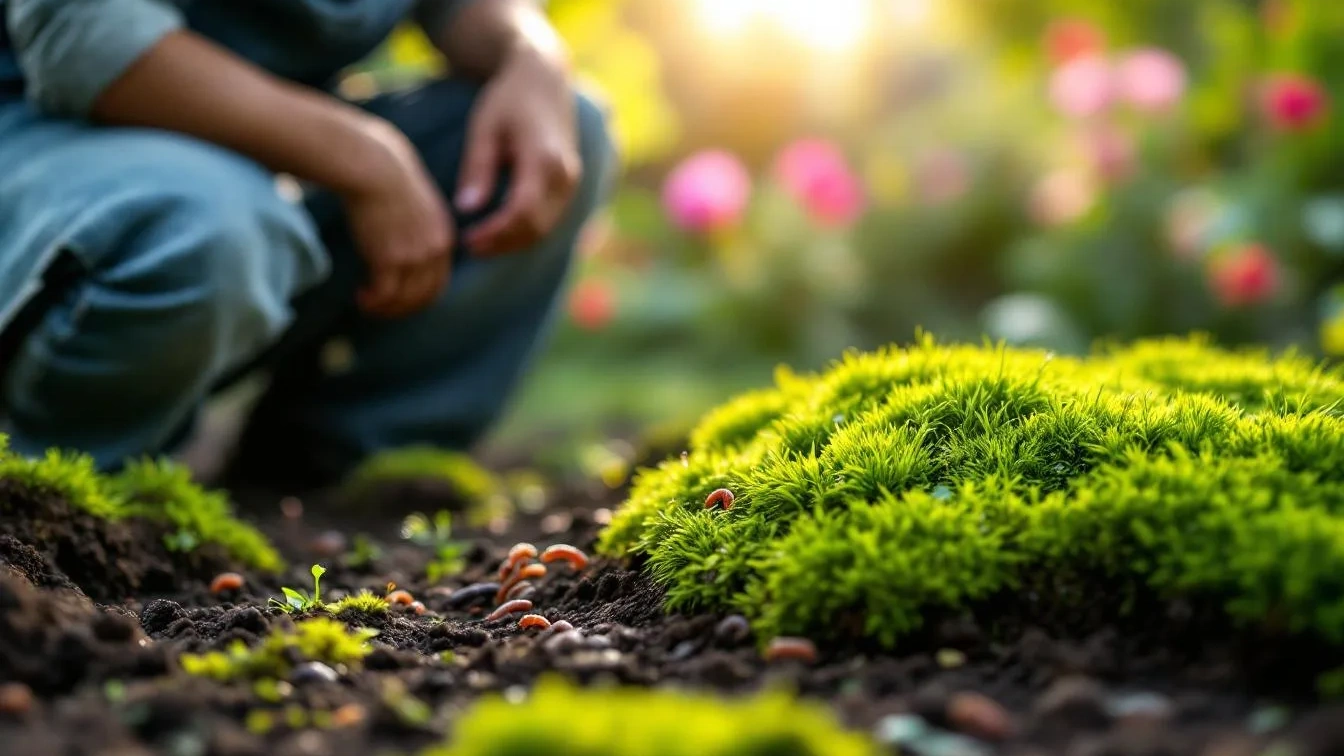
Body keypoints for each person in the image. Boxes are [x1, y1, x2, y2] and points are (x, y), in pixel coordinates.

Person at [0, 0, 614, 487]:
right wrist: (364, 158)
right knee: (206, 226)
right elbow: (87, 41)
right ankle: (63, 487)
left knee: (562, 131)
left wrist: (531, 54)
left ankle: (330, 475)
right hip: (50, 144)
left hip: (267, 161)